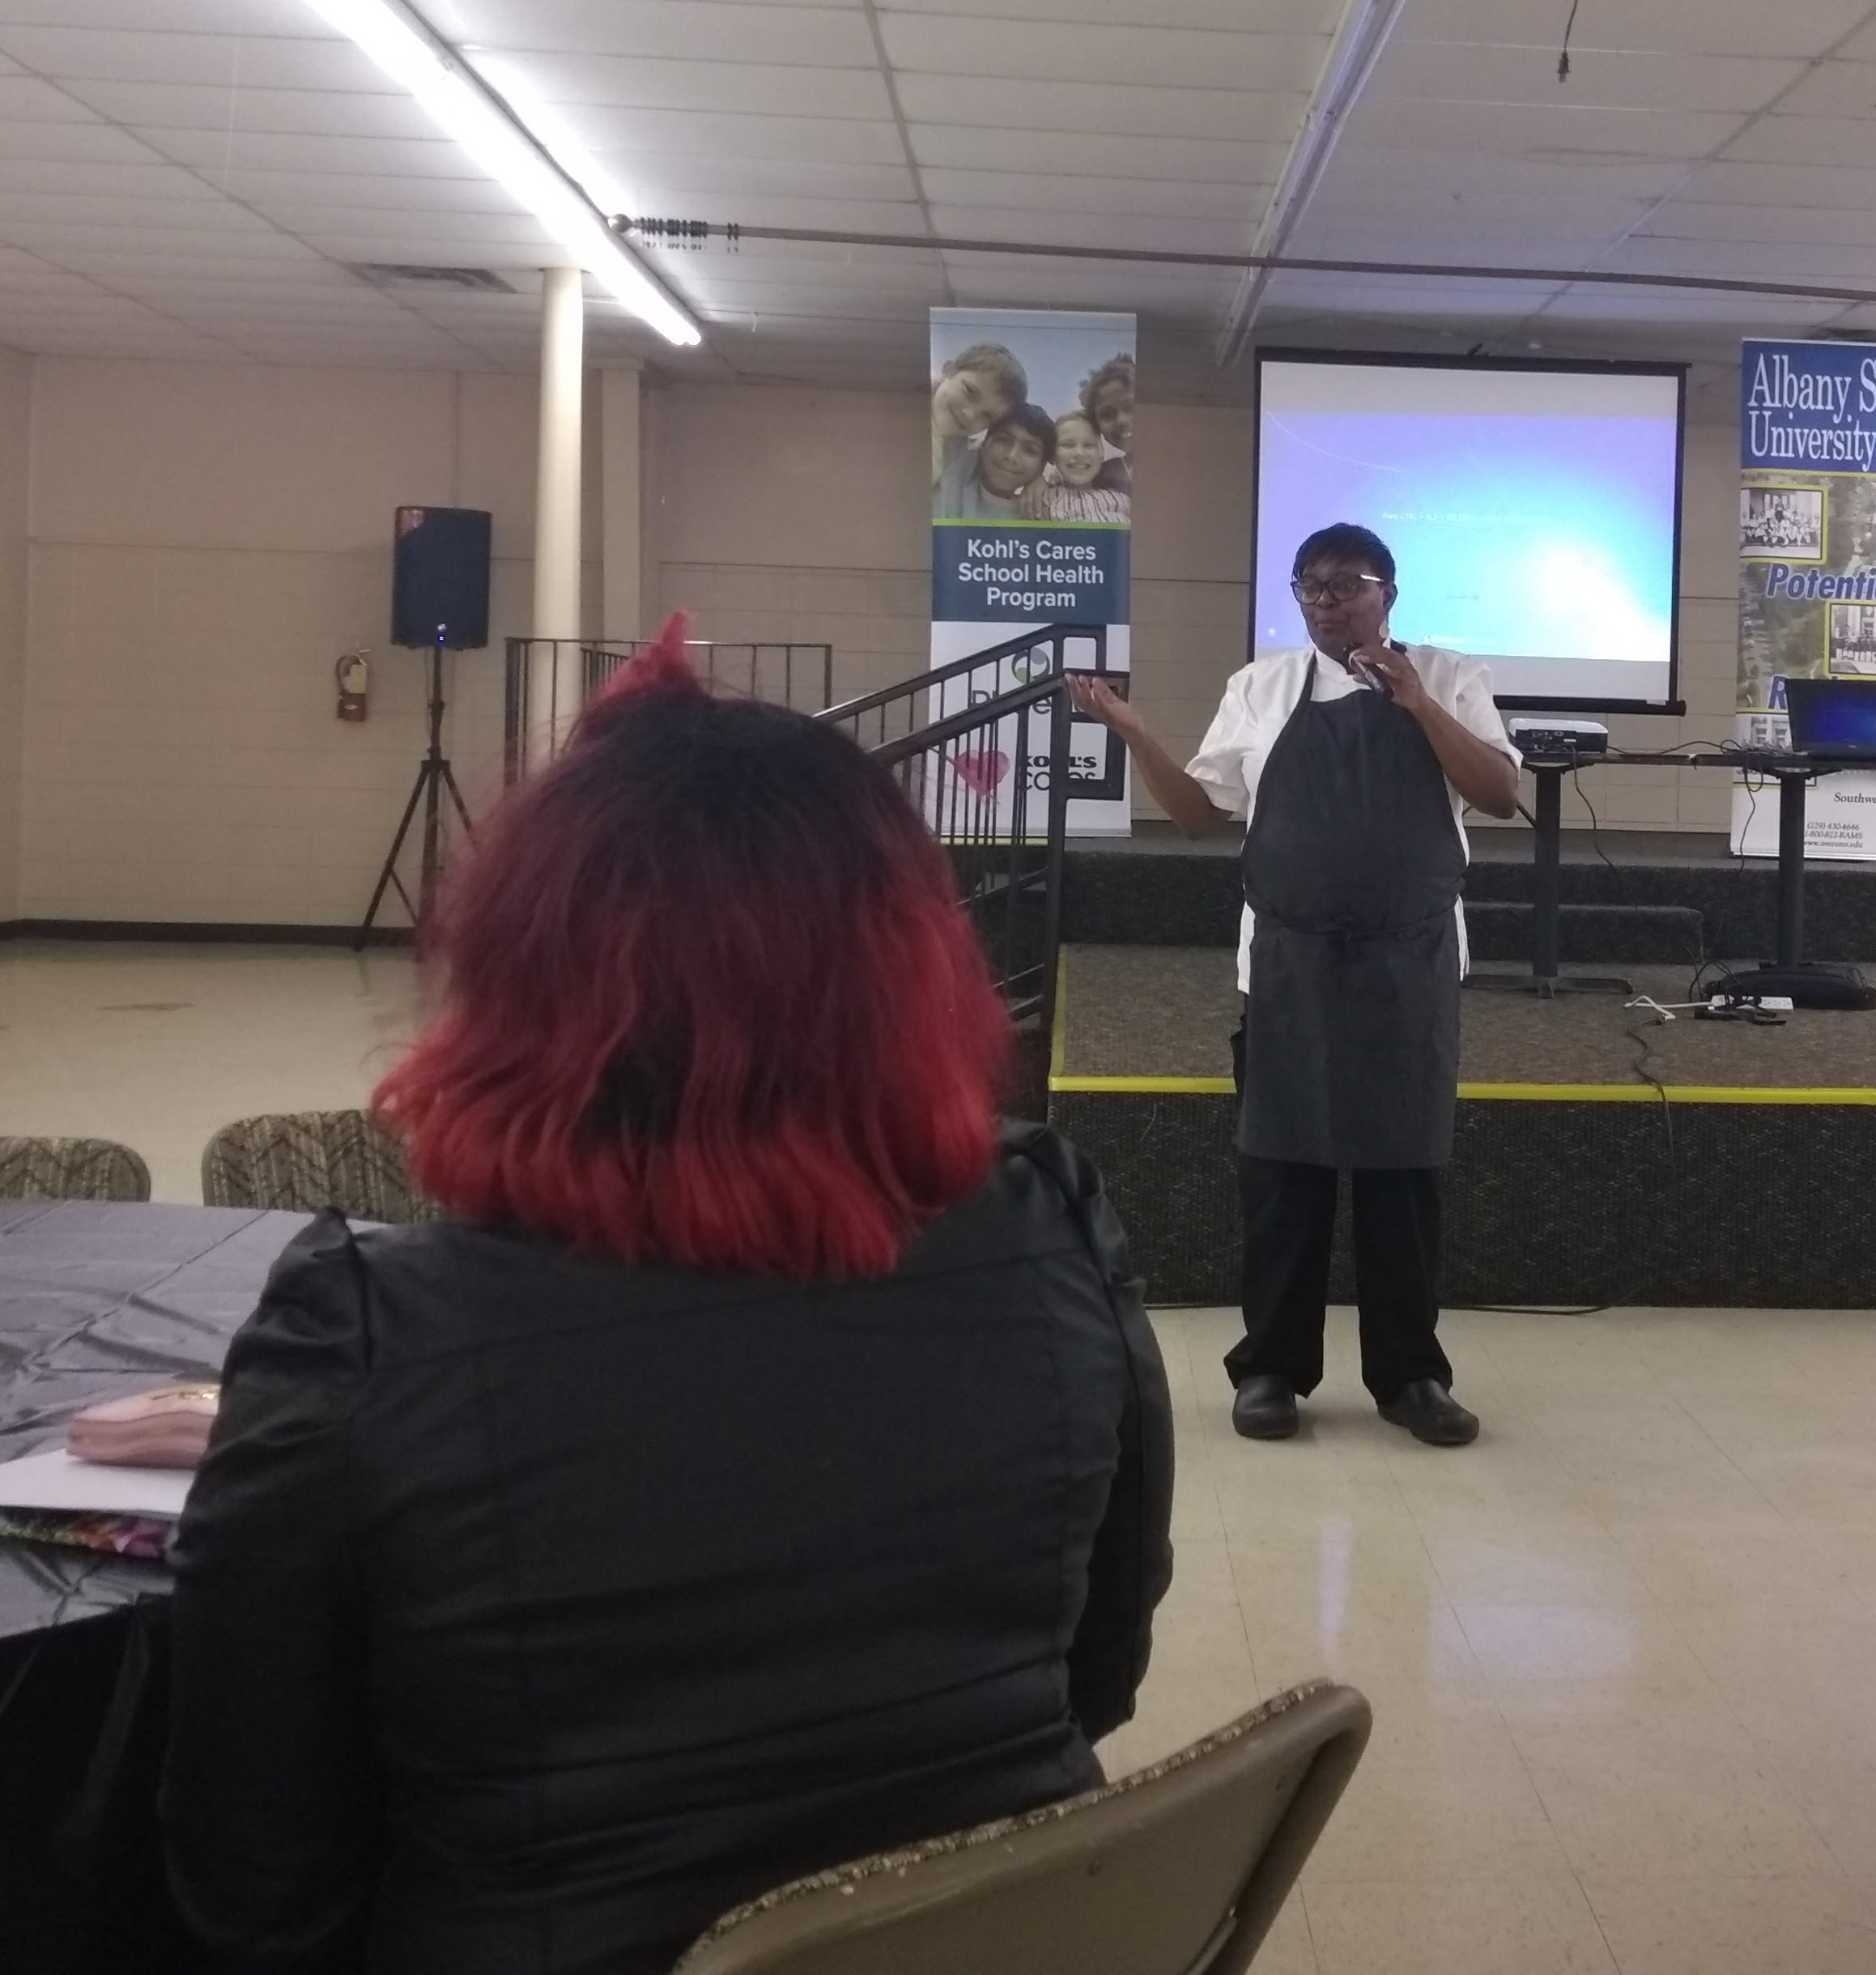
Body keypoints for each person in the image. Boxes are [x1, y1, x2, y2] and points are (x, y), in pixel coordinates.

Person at [164, 624, 1172, 1975]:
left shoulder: (361, 1338)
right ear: (910, 968)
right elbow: (1099, 1678)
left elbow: (253, 1883)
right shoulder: (1048, 1225)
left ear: (526, 972)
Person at [1072, 525, 1522, 1449]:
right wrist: (1133, 732)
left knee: (1403, 1181)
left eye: (1344, 587)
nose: (1325, 603)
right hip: (1287, 968)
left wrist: (1415, 705)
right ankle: (1271, 1368)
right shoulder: (1261, 687)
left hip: (1409, 965)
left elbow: (1498, 793)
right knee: (1283, 1177)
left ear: (1387, 593)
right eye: (1309, 588)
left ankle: (1409, 1377)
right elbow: (1200, 815)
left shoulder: (1447, 676)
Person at [932, 403, 1054, 521]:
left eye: (1029, 450)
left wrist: (1046, 482)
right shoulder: (953, 459)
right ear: (985, 441)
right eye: (1003, 440)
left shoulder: (1040, 515)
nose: (1012, 456)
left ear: (1041, 466)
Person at [929, 342, 1026, 485]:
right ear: (949, 371)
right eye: (970, 392)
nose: (970, 414)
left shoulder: (961, 453)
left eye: (987, 416)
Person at [1036, 409, 1132, 523]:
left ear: (1101, 455)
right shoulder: (1042, 501)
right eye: (1068, 445)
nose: (1079, 453)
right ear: (1052, 456)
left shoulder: (1123, 500)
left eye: (1089, 445)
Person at [1078, 355, 1135, 496]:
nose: (1122, 420)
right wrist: (1038, 482)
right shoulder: (1102, 475)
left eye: (1131, 407)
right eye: (1107, 415)